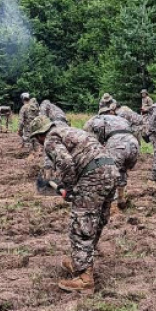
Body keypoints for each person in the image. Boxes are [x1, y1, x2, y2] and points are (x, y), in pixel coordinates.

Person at [30, 115, 119, 294]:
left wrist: (68, 188)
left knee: (81, 224)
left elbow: (66, 163)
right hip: (111, 170)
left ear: (40, 135)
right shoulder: (70, 131)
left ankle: (85, 278)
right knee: (96, 220)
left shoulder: (50, 139)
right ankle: (80, 262)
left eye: (37, 139)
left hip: (93, 175)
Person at [84, 102, 139, 210]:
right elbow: (134, 130)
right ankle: (121, 199)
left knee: (109, 173)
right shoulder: (120, 119)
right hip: (134, 145)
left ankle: (110, 205)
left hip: (118, 145)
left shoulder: (99, 119)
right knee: (122, 170)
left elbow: (91, 135)